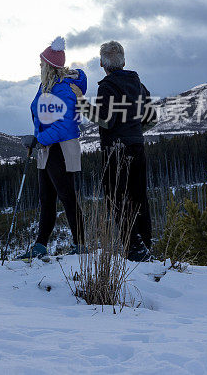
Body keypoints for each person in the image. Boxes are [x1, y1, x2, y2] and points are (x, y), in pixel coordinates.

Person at [85, 40, 157, 262]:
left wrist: (83, 106)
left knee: (116, 199)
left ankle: (134, 248)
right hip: (137, 147)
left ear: (101, 63)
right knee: (139, 198)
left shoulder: (107, 87)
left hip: (116, 150)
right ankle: (145, 245)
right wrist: (135, 131)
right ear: (124, 61)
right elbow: (152, 119)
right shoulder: (138, 84)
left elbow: (106, 119)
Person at [18, 36, 87, 259]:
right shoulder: (47, 86)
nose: (39, 66)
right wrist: (38, 138)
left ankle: (80, 245)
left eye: (42, 63)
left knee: (67, 197)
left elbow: (64, 123)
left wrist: (40, 139)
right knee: (47, 199)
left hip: (61, 150)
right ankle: (40, 245)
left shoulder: (63, 90)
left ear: (50, 66)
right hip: (48, 148)